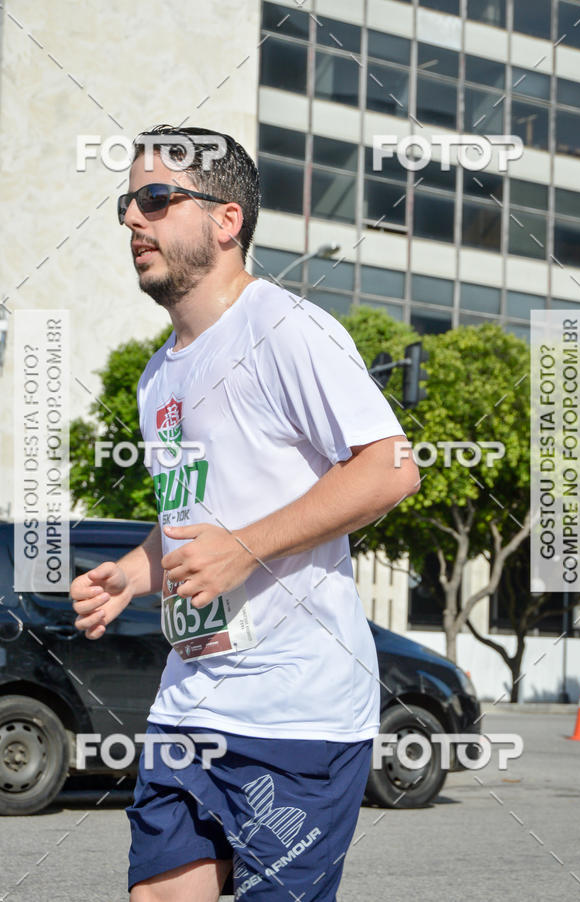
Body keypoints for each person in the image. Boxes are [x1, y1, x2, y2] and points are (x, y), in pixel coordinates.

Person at [71, 125, 420, 901]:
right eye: (128, 202)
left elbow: (392, 469)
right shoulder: (159, 373)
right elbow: (194, 517)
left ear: (227, 220)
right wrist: (132, 573)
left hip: (296, 714)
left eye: (157, 199)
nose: (134, 219)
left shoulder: (285, 331)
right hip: (190, 698)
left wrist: (245, 550)